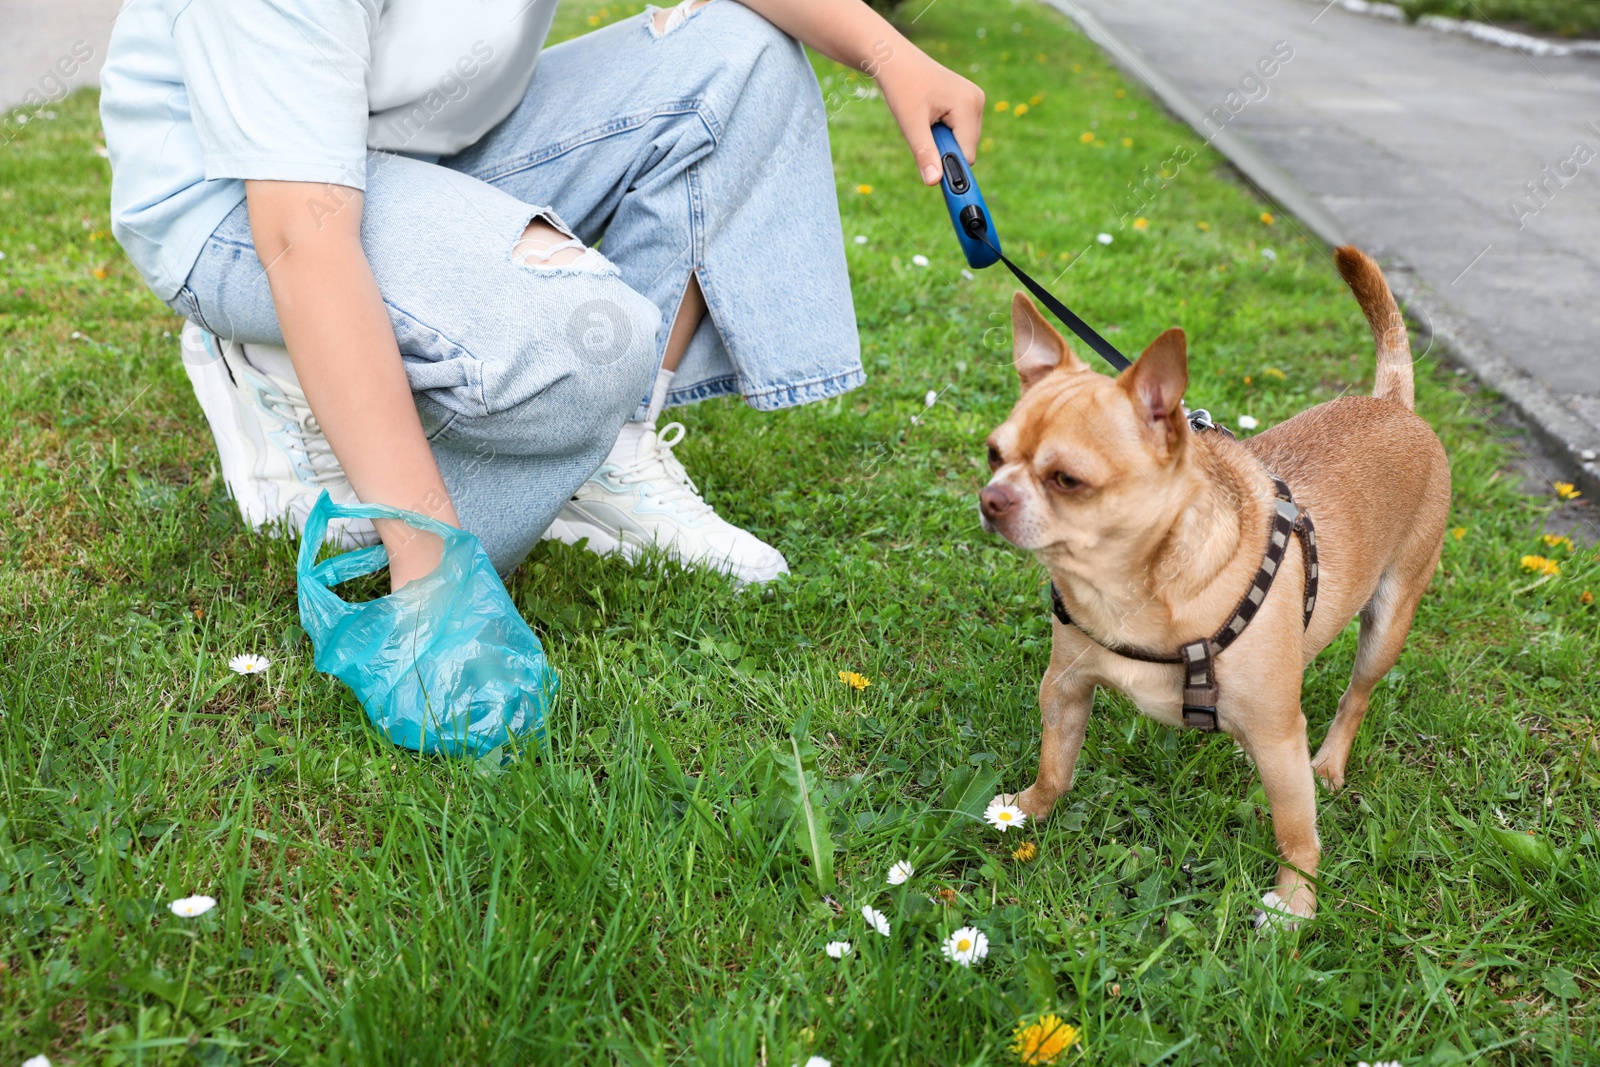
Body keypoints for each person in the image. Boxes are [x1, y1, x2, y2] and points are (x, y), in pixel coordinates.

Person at [101, 0, 983, 588]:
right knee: (586, 340)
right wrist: (430, 567)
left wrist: (885, 52)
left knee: (741, 59)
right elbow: (302, 230)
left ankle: (605, 450)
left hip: (425, 148)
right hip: (242, 199)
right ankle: (270, 361)